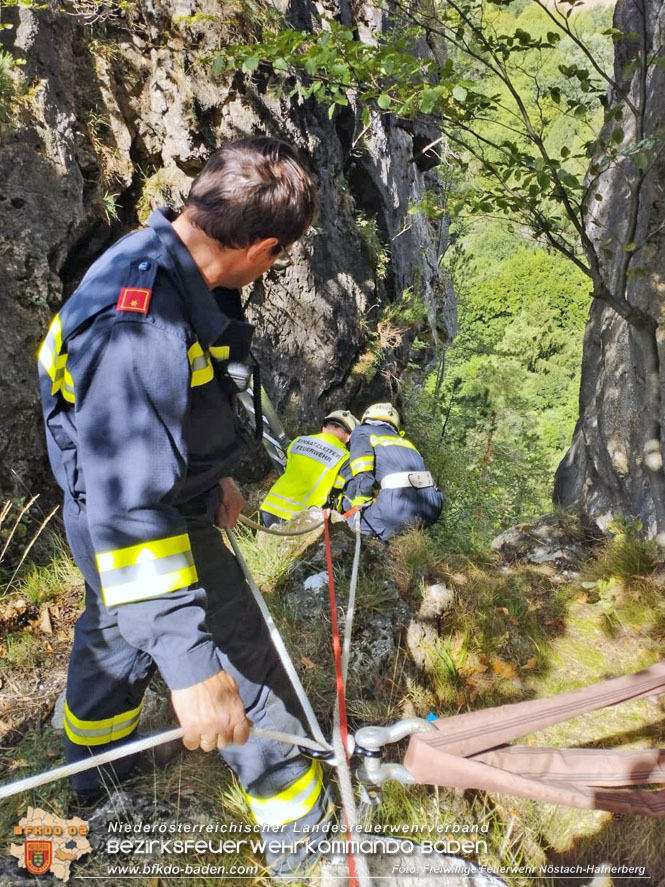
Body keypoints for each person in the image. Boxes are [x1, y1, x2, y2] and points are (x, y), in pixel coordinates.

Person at [37, 137, 331, 877]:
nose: (271, 271)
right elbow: (132, 501)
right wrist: (194, 667)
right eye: (278, 258)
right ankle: (307, 842)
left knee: (111, 630)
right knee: (244, 664)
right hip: (137, 522)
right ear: (261, 245)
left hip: (108, 508)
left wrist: (211, 478)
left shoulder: (163, 260)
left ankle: (94, 776)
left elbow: (169, 415)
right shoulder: (141, 322)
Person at [345, 402, 443, 541]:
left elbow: (362, 466)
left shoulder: (362, 431)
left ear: (366, 418)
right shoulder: (407, 443)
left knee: (349, 528)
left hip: (398, 506)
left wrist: (361, 498)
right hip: (433, 504)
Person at [259, 410, 359, 527]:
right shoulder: (344, 457)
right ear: (349, 437)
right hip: (299, 518)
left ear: (323, 428)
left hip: (270, 509)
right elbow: (347, 488)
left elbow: (290, 469)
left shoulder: (297, 441)